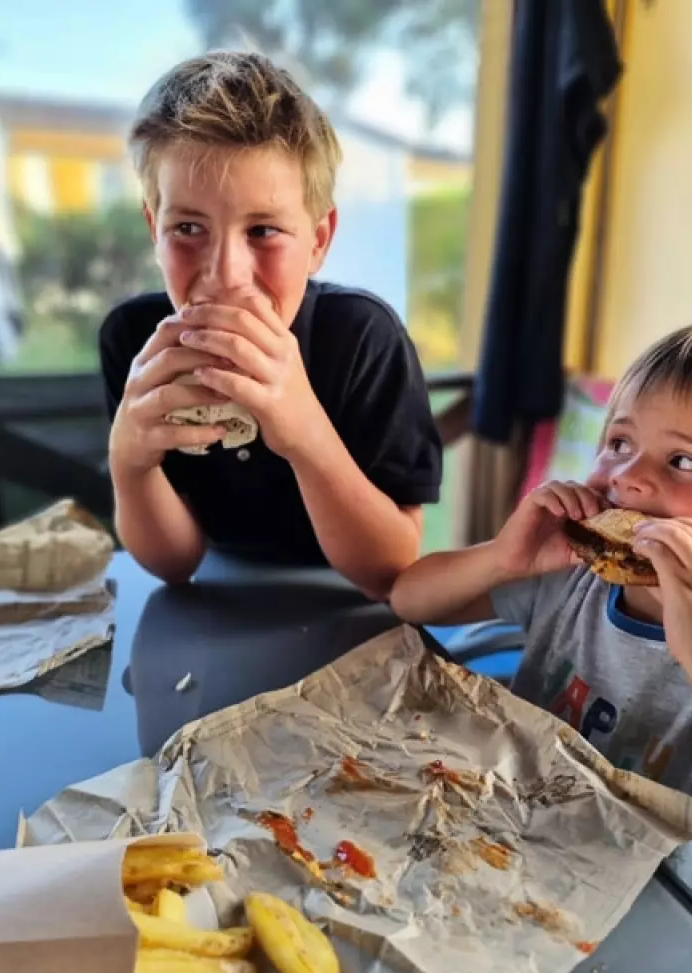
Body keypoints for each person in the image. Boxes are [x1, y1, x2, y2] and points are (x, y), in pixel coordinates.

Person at [391, 322, 692, 918]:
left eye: (683, 461)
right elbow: (410, 599)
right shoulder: (575, 576)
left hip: (654, 904)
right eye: (620, 442)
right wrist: (502, 558)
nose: (628, 476)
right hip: (510, 836)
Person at [99, 52, 442, 595]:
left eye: (262, 231)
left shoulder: (362, 339)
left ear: (318, 240)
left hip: (341, 595)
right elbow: (174, 564)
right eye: (187, 227)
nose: (225, 275)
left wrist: (304, 431)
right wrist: (130, 463)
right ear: (153, 229)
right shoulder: (134, 339)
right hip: (213, 594)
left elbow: (391, 567)